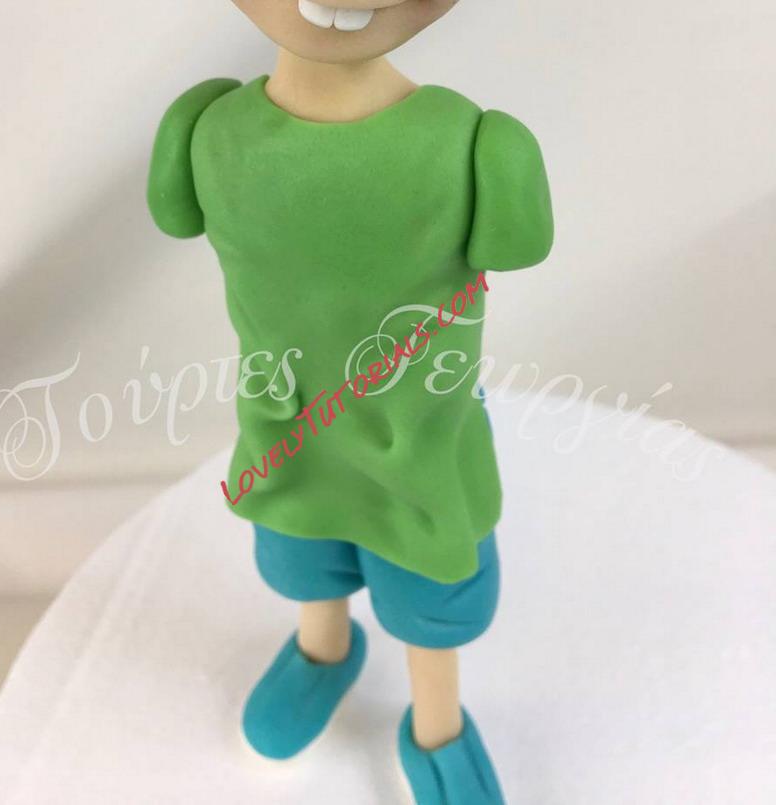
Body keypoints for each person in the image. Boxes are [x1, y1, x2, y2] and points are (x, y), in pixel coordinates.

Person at [148, 2, 553, 801]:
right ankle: (323, 651)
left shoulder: (478, 149)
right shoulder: (206, 131)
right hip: (290, 433)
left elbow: (521, 243)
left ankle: (437, 726)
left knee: (427, 589)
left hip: (419, 444)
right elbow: (175, 211)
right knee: (306, 556)